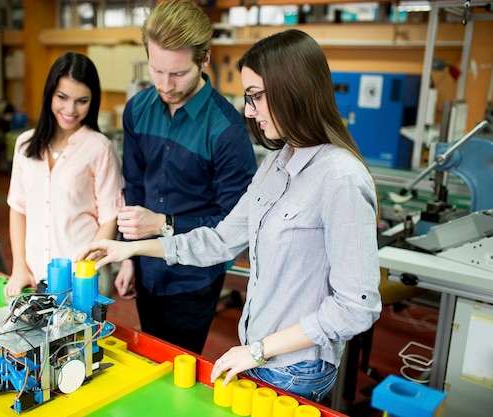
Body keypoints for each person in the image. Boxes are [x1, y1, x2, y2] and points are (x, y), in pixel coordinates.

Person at [78, 29, 381, 402]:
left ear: (292, 91)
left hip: (296, 367)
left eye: (255, 97)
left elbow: (356, 307)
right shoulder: (275, 163)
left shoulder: (341, 178)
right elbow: (220, 241)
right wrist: (134, 250)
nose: (250, 111)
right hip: (258, 352)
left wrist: (257, 351)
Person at [115, 0, 257, 355]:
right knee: (149, 357)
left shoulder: (226, 130)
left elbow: (233, 224)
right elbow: (133, 187)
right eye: (157, 71)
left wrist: (163, 224)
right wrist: (128, 257)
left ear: (204, 60)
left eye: (178, 73)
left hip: (194, 278)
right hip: (146, 268)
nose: (166, 84)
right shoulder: (137, 110)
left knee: (179, 364)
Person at [4, 52, 124, 298]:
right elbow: (18, 208)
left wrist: (84, 271)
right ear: (50, 93)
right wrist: (19, 267)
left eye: (82, 100)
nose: (70, 109)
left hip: (83, 280)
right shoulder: (25, 145)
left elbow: (109, 219)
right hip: (34, 275)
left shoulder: (100, 148)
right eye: (62, 97)